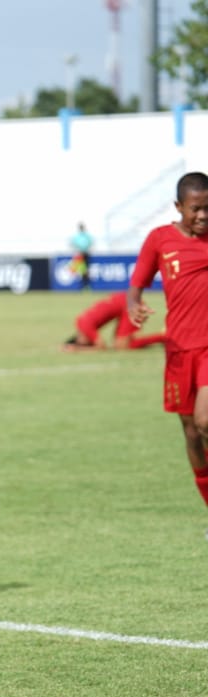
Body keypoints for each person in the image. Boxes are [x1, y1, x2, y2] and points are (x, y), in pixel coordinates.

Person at [127, 171, 208, 530]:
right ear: (179, 207)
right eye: (196, 209)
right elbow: (138, 282)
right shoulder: (160, 240)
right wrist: (134, 304)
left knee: (206, 420)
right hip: (178, 349)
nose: (204, 216)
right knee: (191, 432)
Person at [62, 291, 166, 351]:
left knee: (123, 346)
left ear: (79, 339)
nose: (89, 343)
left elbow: (101, 346)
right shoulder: (81, 321)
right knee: (121, 344)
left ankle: (164, 337)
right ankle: (162, 337)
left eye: (85, 344)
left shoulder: (85, 326)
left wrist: (78, 349)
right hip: (127, 302)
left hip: (129, 304)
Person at [70, 222, 94, 289]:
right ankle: (83, 285)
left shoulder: (87, 236)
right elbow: (73, 244)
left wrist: (85, 248)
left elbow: (90, 243)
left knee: (86, 270)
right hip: (80, 254)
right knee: (81, 270)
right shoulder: (77, 236)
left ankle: (87, 284)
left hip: (86, 253)